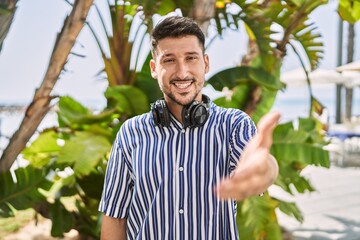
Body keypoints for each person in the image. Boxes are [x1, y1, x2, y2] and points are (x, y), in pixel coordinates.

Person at [98, 15, 280, 240]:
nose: (182, 72)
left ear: (205, 63)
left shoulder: (234, 124)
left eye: (190, 58)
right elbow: (115, 216)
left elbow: (261, 168)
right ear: (154, 68)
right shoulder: (130, 133)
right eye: (169, 60)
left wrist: (262, 166)